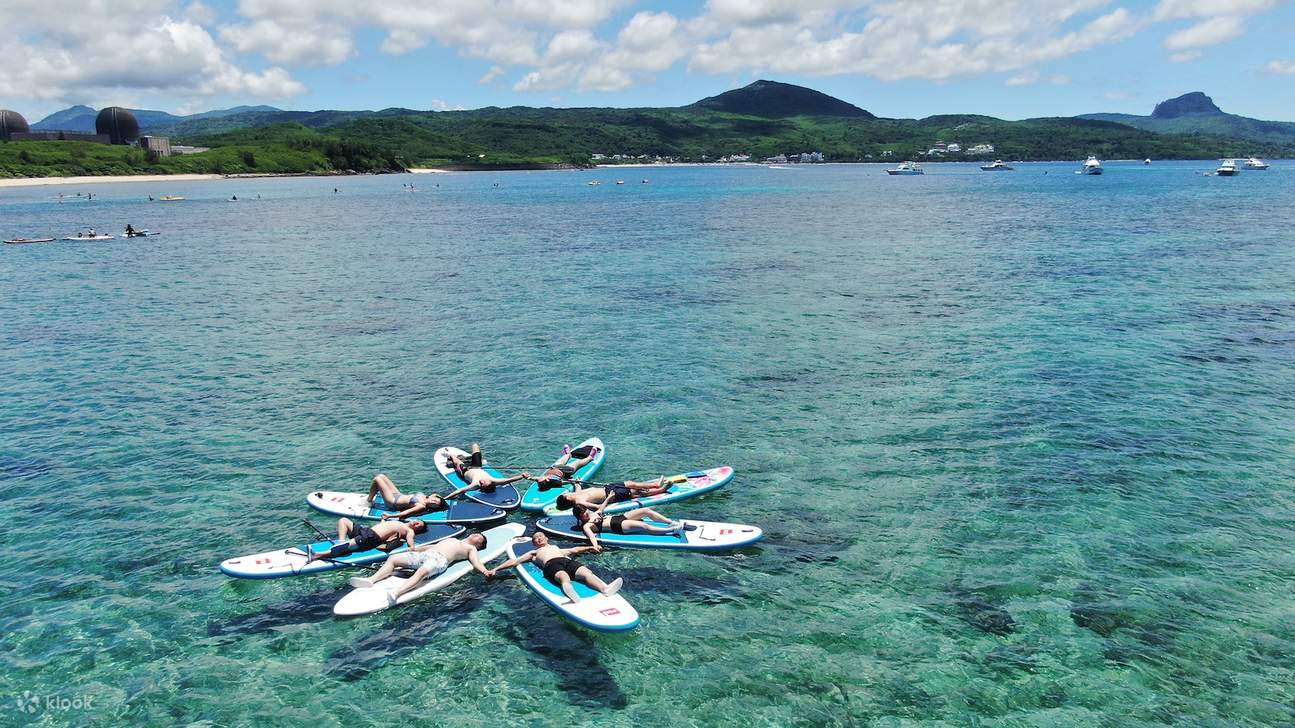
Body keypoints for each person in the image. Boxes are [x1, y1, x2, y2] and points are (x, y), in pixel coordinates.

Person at [350, 532, 489, 604]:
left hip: (439, 560)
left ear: (478, 545)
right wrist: (416, 549)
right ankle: (371, 580)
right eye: (478, 533)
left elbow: (476, 562)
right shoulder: (454, 540)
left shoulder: (470, 548)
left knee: (422, 571)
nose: (477, 535)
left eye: (480, 538)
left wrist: (484, 571)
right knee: (393, 559)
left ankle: (397, 592)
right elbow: (433, 546)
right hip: (426, 554)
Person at [488, 532, 622, 603]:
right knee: (563, 576)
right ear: (534, 543)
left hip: (565, 561)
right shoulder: (534, 553)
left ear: (546, 538)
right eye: (536, 538)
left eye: (540, 536)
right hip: (551, 564)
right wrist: (496, 569)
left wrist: (590, 547)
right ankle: (570, 592)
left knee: (587, 572)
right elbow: (515, 561)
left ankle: (605, 589)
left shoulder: (556, 547)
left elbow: (574, 550)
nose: (539, 538)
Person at [304, 517, 428, 563]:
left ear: (417, 529)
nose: (416, 523)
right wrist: (384, 520)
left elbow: (411, 544)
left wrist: (412, 548)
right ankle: (341, 543)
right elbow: (384, 526)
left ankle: (316, 555)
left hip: (371, 538)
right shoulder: (400, 522)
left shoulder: (409, 531)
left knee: (349, 545)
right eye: (418, 521)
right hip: (366, 531)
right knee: (343, 521)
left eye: (419, 525)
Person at [573, 505, 683, 551]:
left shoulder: (592, 513)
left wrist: (609, 498)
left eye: (585, 511)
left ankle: (671, 522)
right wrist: (596, 546)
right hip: (618, 526)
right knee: (644, 526)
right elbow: (591, 536)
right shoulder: (586, 526)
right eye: (584, 514)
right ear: (580, 516)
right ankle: (672, 530)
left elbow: (600, 509)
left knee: (646, 511)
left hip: (620, 517)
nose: (586, 513)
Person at [443, 443, 530, 495]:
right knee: (475, 446)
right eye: (483, 483)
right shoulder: (494, 480)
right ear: (490, 483)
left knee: (456, 461)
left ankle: (450, 455)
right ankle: (466, 459)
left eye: (481, 485)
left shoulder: (475, 484)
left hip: (465, 470)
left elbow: (459, 491)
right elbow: (509, 480)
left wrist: (445, 498)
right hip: (477, 466)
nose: (481, 483)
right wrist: (522, 476)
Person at [552, 476, 669, 513]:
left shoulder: (576, 494)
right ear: (567, 498)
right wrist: (609, 498)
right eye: (567, 495)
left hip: (608, 487)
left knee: (631, 483)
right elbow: (597, 508)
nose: (568, 493)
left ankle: (655, 484)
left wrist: (577, 482)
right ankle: (661, 490)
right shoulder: (579, 502)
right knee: (638, 492)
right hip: (612, 494)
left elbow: (578, 487)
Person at [366, 473, 449, 519]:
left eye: (435, 504)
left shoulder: (421, 506)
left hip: (392, 502)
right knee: (381, 476)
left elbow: (406, 512)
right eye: (435, 500)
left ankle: (369, 501)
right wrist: (444, 502)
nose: (433, 501)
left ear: (433, 507)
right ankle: (375, 492)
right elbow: (437, 496)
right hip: (398, 495)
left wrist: (390, 516)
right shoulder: (430, 496)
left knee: (377, 479)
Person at [528, 444, 601, 492]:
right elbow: (563, 482)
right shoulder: (553, 481)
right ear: (546, 480)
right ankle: (590, 457)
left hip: (556, 467)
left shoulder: (541, 480)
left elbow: (535, 478)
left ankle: (568, 454)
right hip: (567, 471)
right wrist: (573, 481)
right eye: (540, 479)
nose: (539, 479)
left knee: (559, 462)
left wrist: (528, 477)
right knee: (577, 463)